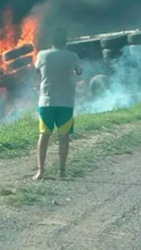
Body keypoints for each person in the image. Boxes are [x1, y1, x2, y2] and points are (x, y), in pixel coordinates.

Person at [33, 27, 82, 180]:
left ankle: (41, 171)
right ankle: (62, 171)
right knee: (63, 136)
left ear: (51, 41)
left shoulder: (42, 55)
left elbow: (36, 72)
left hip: (46, 101)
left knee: (44, 135)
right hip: (66, 102)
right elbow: (79, 71)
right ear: (65, 41)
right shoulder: (72, 56)